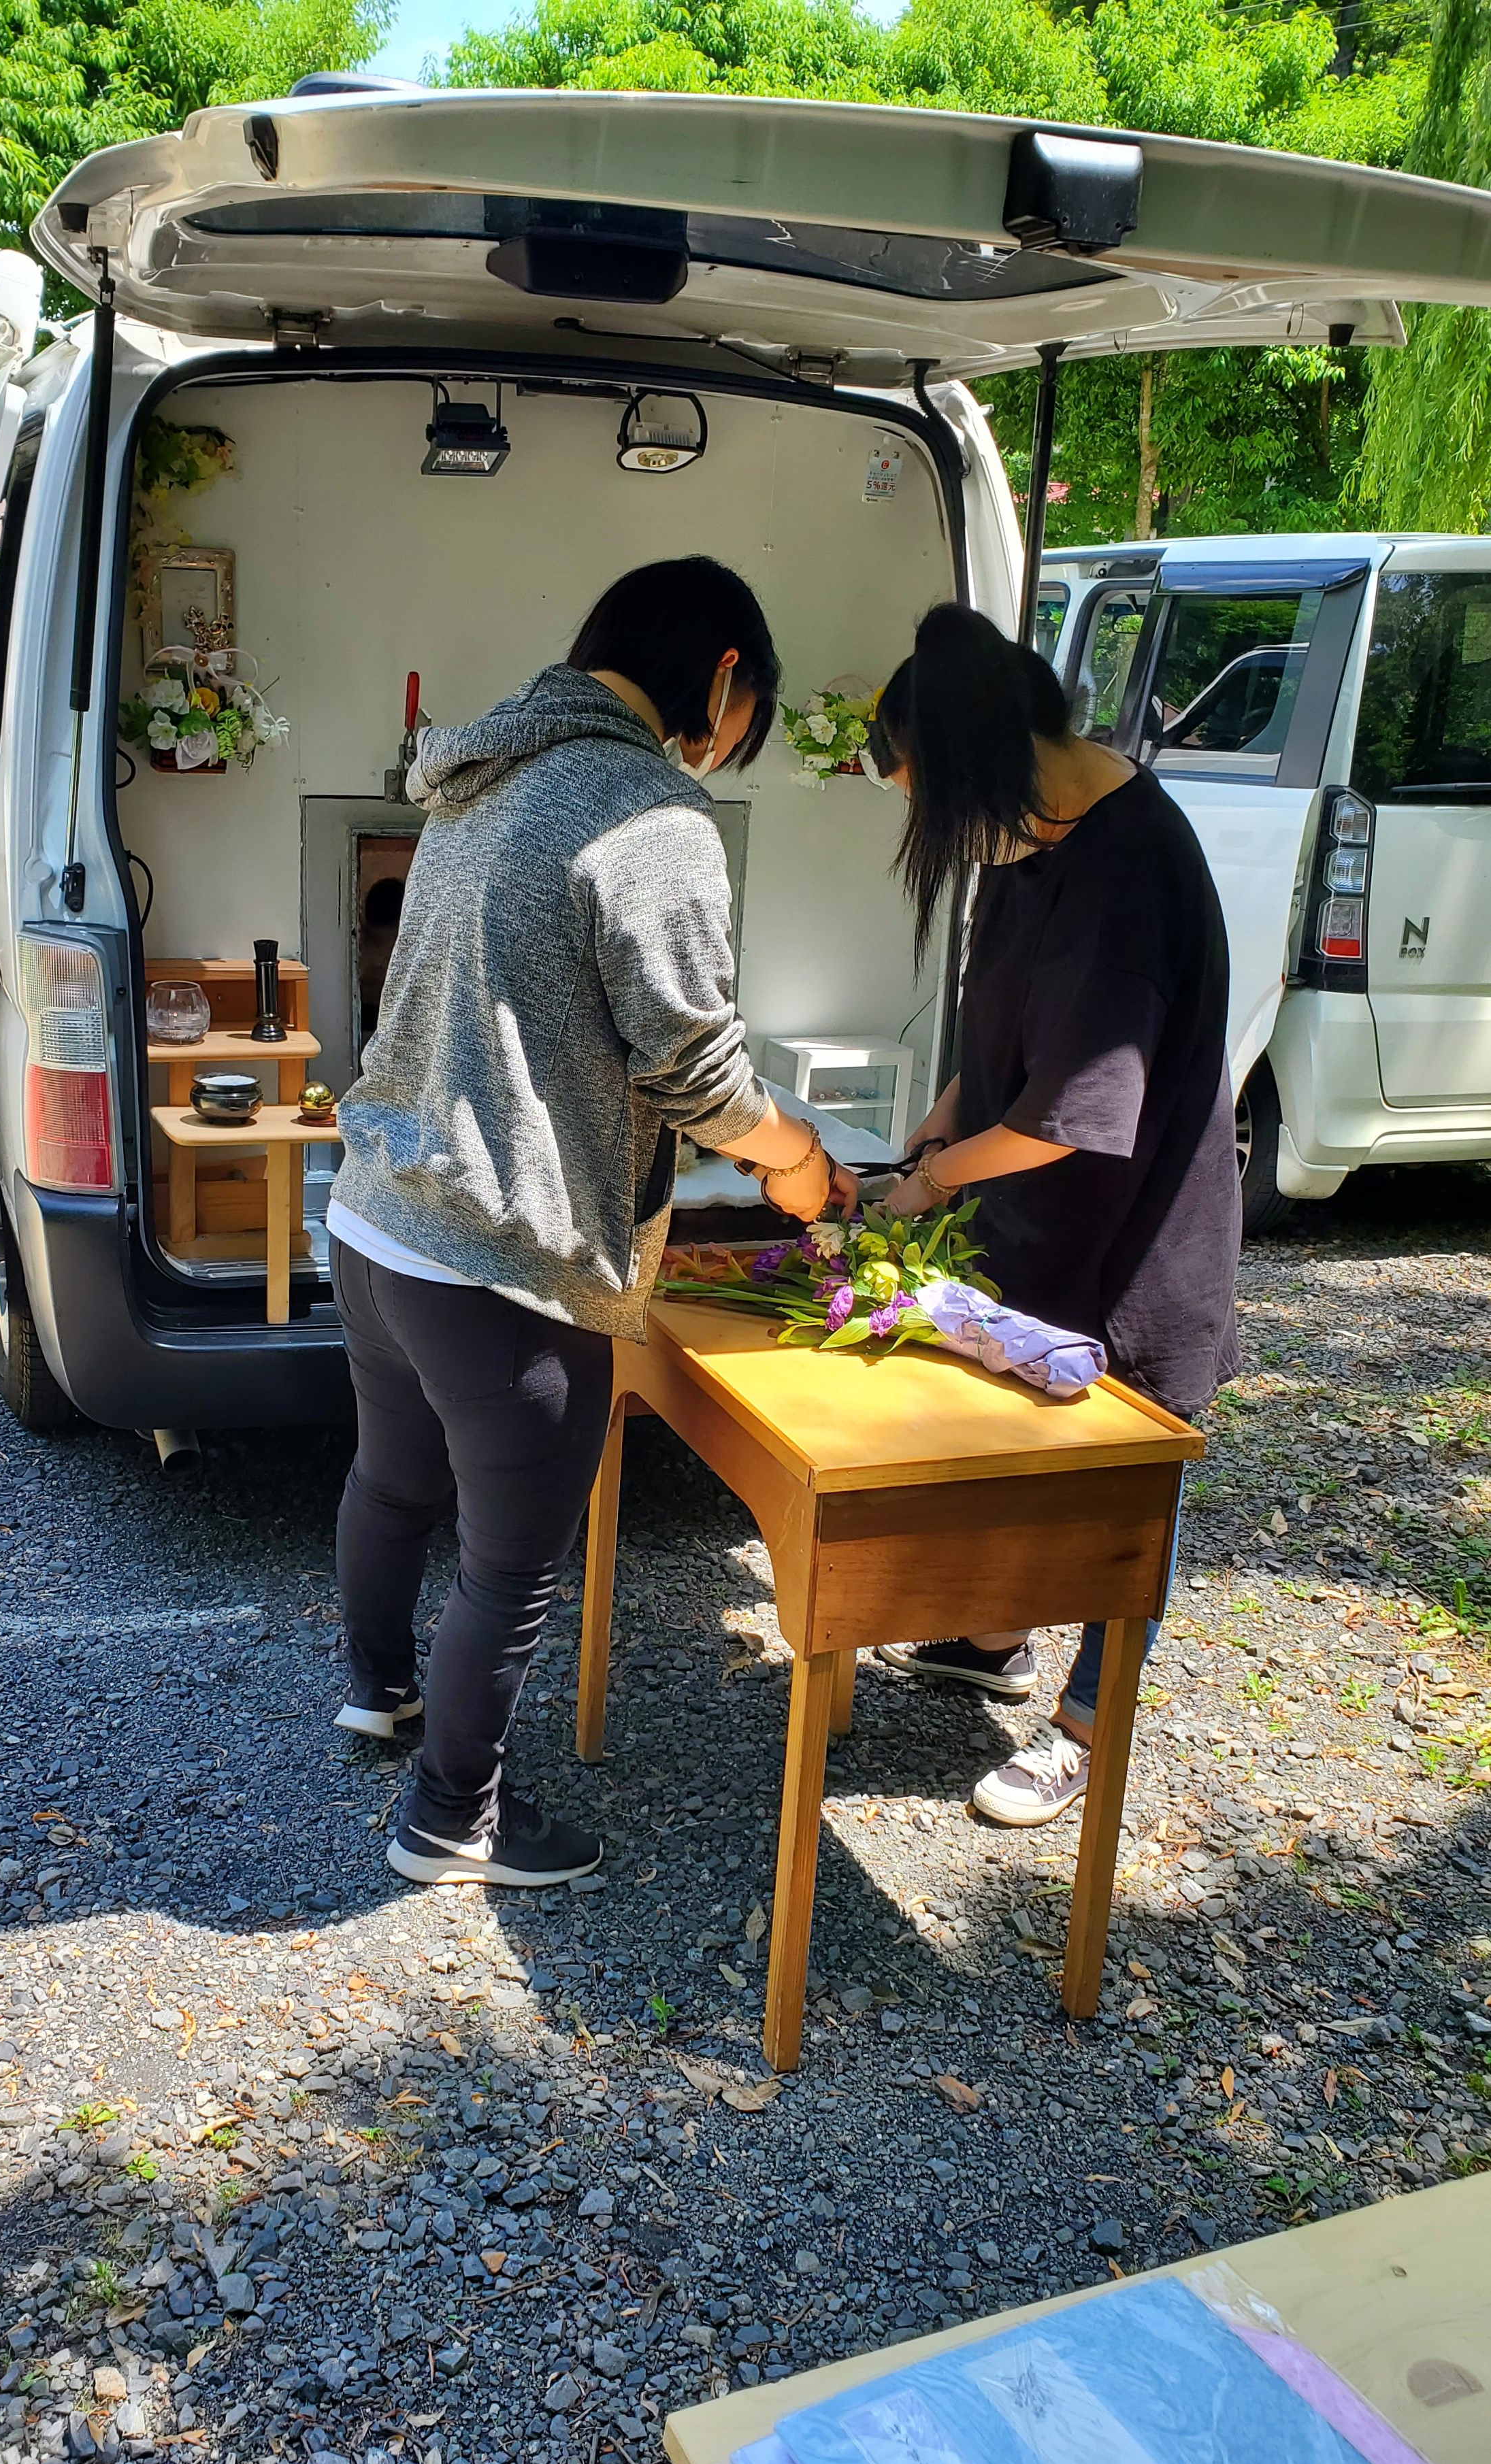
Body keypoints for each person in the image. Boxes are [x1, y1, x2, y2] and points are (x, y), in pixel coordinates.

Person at [326, 556, 857, 1891]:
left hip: (379, 1219)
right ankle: (451, 1819)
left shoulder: (481, 776)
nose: (727, 744)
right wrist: (795, 1158)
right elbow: (693, 1067)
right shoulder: (650, 811)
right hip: (498, 1255)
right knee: (511, 1564)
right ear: (723, 676)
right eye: (747, 713)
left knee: (392, 1479)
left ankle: (379, 1692)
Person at [868, 603, 1241, 1827]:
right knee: (1014, 1452)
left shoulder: (1127, 870)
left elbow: (1070, 1113)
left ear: (985, 756)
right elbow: (1002, 1039)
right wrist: (936, 1123)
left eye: (933, 798)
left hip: (1134, 1240)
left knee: (1122, 1496)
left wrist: (932, 1183)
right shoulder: (1033, 836)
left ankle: (1089, 1724)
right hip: (1035, 1224)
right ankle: (991, 1640)